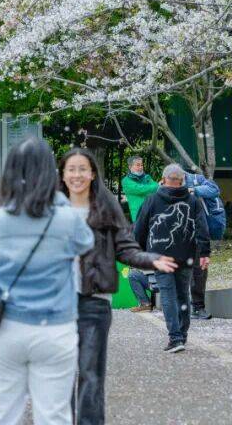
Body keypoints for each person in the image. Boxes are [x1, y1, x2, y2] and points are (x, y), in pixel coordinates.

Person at [0, 137, 94, 425]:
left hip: (5, 327)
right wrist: (59, 201)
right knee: (54, 416)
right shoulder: (67, 218)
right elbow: (85, 244)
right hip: (55, 328)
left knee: (2, 415)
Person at [60, 147, 176, 425]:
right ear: (62, 174)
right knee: (58, 373)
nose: (77, 175)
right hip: (56, 302)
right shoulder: (50, 209)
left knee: (90, 372)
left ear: (92, 174)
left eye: (83, 169)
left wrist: (150, 259)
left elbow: (125, 248)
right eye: (71, 169)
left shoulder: (105, 206)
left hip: (95, 301)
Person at [133, 163, 210, 353]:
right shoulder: (193, 201)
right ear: (182, 180)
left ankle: (175, 338)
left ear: (163, 179)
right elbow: (202, 228)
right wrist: (204, 253)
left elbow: (139, 229)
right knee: (183, 295)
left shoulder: (151, 200)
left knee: (167, 295)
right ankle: (182, 334)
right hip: (186, 256)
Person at [184, 167, 223, 320]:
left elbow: (214, 190)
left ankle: (198, 307)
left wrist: (194, 190)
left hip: (197, 234)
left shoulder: (196, 180)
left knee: (199, 271)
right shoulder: (165, 186)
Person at [121, 156, 158, 222]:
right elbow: (141, 190)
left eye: (141, 165)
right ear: (130, 167)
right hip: (138, 215)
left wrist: (153, 187)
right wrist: (155, 186)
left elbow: (155, 189)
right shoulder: (126, 181)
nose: (140, 167)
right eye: (138, 165)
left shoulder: (147, 177)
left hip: (152, 212)